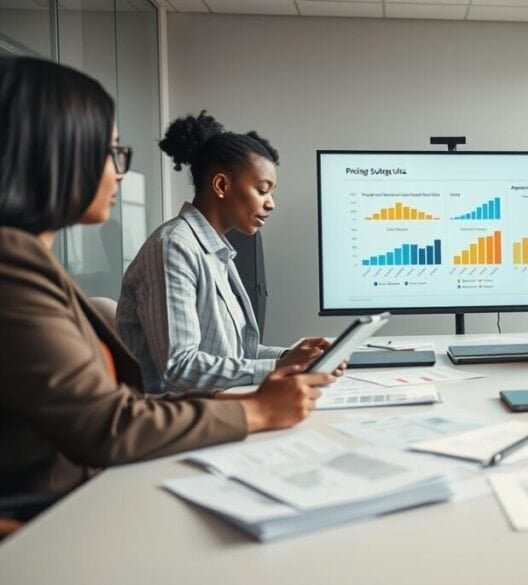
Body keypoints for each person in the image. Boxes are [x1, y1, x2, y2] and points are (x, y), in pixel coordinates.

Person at [0, 57, 332, 504]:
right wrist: (256, 408)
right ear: (56, 151)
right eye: (111, 152)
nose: (119, 171)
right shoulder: (14, 267)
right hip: (58, 506)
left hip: (107, 473)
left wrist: (284, 363)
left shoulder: (31, 261)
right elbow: (119, 414)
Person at [118, 111, 327, 393]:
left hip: (213, 406)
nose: (271, 204)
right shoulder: (173, 247)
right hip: (175, 419)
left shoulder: (215, 251)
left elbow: (239, 354)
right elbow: (178, 367)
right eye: (262, 190)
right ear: (221, 185)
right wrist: (280, 368)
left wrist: (291, 357)